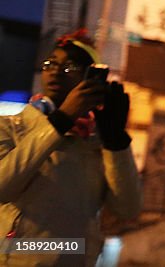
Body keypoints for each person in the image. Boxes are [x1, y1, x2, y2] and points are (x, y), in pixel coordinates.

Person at [0, 30, 142, 266]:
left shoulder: (95, 143)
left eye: (70, 67)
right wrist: (61, 120)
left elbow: (127, 209)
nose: (55, 71)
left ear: (89, 78)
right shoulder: (11, 128)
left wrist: (115, 139)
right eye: (50, 64)